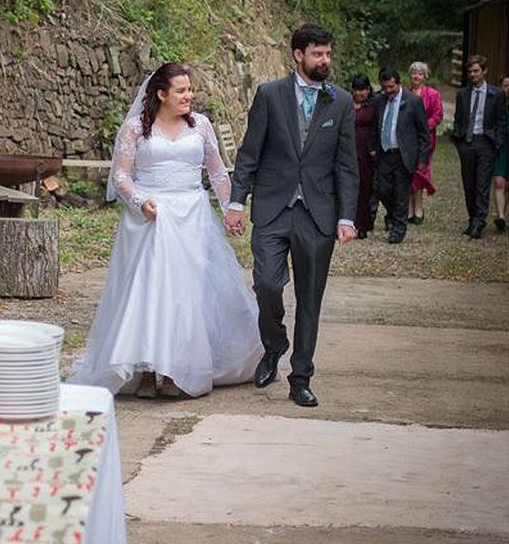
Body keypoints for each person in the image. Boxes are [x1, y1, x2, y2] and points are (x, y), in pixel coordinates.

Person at [66, 62, 262, 399]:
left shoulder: (201, 126)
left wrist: (231, 209)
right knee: (148, 293)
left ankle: (176, 369)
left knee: (186, 295)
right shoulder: (134, 129)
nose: (189, 96)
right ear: (161, 94)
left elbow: (216, 173)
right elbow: (121, 177)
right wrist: (141, 202)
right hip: (150, 218)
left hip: (192, 216)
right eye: (181, 91)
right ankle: (145, 370)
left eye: (190, 90)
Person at [223, 23, 358, 408]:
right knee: (266, 284)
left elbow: (347, 166)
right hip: (271, 207)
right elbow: (249, 153)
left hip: (318, 214)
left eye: (328, 54)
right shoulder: (269, 95)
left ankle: (301, 376)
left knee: (310, 299)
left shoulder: (341, 102)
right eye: (318, 54)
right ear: (298, 55)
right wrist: (236, 202)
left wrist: (346, 216)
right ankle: (274, 344)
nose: (325, 60)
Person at [368, 67, 431, 244]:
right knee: (382, 190)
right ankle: (394, 215)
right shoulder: (379, 101)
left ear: (399, 84)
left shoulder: (413, 101)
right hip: (384, 154)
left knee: (401, 193)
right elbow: (375, 127)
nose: (388, 91)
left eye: (391, 87)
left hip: (404, 155)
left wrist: (422, 159)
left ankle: (398, 229)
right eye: (385, 87)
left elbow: (423, 133)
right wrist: (372, 147)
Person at [450, 54, 506, 239]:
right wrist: (458, 141)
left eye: (476, 71)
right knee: (469, 184)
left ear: (484, 71)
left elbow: (501, 121)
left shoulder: (496, 94)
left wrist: (496, 142)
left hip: (486, 142)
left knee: (482, 184)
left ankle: (479, 222)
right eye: (470, 71)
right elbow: (458, 120)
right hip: (467, 141)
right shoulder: (462, 94)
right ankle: (472, 217)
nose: (472, 74)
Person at [406, 61, 442, 224]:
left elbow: (438, 116)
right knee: (406, 172)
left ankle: (418, 209)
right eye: (414, 73)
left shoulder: (433, 94)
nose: (417, 76)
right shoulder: (404, 93)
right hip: (406, 139)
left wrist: (422, 126)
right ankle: (406, 210)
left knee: (420, 172)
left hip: (425, 140)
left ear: (425, 76)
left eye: (420, 73)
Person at [350, 75, 378, 238]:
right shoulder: (346, 103)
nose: (360, 93)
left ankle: (362, 224)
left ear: (368, 90)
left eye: (363, 90)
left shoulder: (374, 105)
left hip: (365, 152)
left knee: (364, 188)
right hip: (347, 150)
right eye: (357, 89)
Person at [492, 74, 509, 231]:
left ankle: (503, 215)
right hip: (500, 146)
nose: (508, 89)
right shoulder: (496, 104)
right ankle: (500, 216)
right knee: (499, 182)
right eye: (505, 85)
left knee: (507, 184)